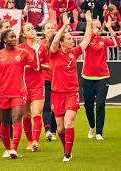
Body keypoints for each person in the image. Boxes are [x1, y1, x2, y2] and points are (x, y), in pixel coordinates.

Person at [48, 11, 94, 162]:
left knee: (69, 123)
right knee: (60, 128)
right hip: (56, 93)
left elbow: (86, 40)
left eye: (71, 38)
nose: (71, 41)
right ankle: (66, 148)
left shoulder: (73, 53)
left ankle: (67, 154)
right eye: (68, 39)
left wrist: (88, 22)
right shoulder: (54, 53)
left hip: (72, 93)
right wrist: (65, 25)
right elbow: (54, 42)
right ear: (61, 42)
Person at [0, 29, 39, 159]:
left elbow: (35, 66)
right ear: (4, 40)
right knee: (5, 122)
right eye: (12, 37)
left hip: (19, 92)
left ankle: (14, 150)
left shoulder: (23, 52)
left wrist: (36, 51)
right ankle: (7, 148)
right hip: (3, 92)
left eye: (15, 36)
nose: (15, 38)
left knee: (17, 119)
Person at [82, 17, 120, 141]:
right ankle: (92, 126)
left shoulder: (104, 39)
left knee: (100, 105)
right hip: (87, 77)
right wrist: (93, 31)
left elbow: (116, 44)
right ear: (91, 28)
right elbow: (86, 43)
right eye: (96, 26)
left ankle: (99, 132)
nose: (99, 28)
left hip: (103, 76)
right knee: (88, 106)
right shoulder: (86, 39)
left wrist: (109, 28)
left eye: (100, 26)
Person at [18, 22, 50, 152]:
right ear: (23, 34)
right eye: (28, 29)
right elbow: (16, 66)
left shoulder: (42, 47)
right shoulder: (20, 48)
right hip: (24, 85)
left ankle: (35, 141)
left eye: (33, 28)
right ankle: (30, 141)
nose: (32, 30)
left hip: (38, 84)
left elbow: (48, 66)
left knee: (37, 113)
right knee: (26, 115)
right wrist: (26, 66)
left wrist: (37, 64)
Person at [41, 22, 57, 141]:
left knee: (56, 107)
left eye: (52, 27)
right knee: (46, 105)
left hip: (58, 78)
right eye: (48, 28)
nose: (50, 29)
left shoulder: (59, 43)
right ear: (43, 31)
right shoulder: (40, 44)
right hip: (45, 79)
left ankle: (54, 130)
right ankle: (48, 130)